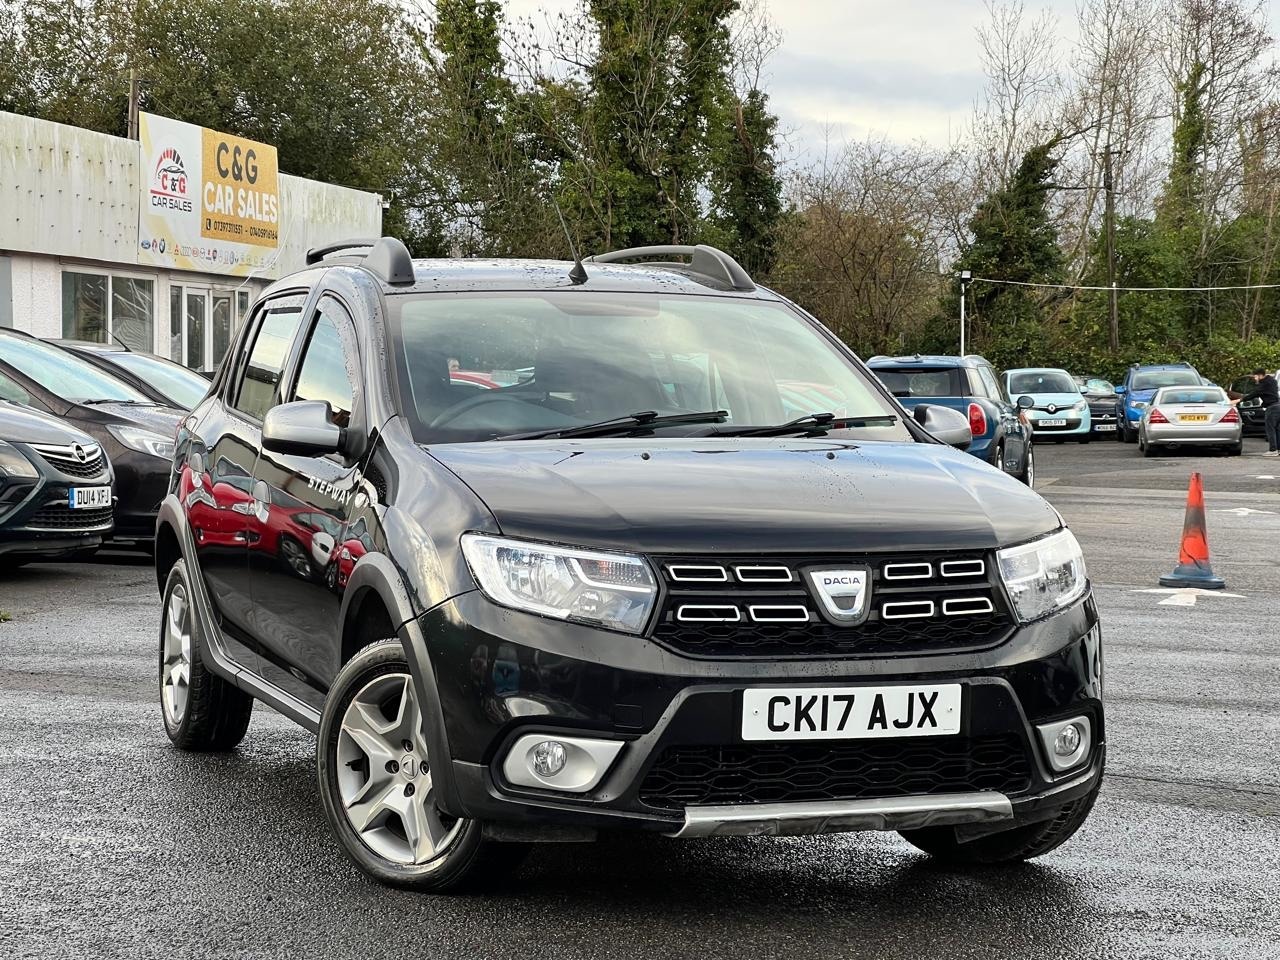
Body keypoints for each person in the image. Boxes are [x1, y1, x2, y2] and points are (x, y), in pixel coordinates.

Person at [1238, 367, 1280, 456]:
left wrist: (1239, 400)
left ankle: (1273, 450)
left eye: (1255, 376)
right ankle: (1278, 449)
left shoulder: (1263, 384)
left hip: (1272, 408)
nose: (1254, 378)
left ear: (1260, 375)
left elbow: (1254, 394)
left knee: (1270, 429)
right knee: (1277, 429)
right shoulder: (1272, 381)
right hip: (1278, 406)